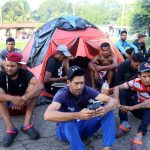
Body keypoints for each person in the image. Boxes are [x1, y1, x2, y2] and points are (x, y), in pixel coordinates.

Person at [44, 66, 117, 150]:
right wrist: (77, 115)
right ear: (68, 82)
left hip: (83, 127)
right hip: (65, 131)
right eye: (76, 83)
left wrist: (105, 109)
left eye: (82, 83)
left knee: (108, 112)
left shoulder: (86, 90)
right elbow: (47, 115)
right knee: (69, 120)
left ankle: (107, 147)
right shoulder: (62, 94)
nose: (80, 86)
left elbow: (112, 101)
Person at [0, 52, 44, 147]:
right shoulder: (2, 74)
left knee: (34, 87)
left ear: (19, 66)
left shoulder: (24, 72)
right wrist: (13, 99)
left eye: (12, 66)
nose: (9, 68)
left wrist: (24, 98)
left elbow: (40, 86)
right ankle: (10, 128)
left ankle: (26, 125)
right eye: (7, 65)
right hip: (8, 108)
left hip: (23, 104)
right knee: (0, 92)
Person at [113, 62, 150, 150]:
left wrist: (131, 108)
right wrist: (117, 103)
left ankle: (140, 133)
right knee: (122, 92)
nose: (148, 79)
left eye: (149, 76)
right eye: (144, 76)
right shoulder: (136, 82)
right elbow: (116, 88)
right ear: (139, 76)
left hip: (147, 111)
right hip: (139, 109)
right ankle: (124, 122)